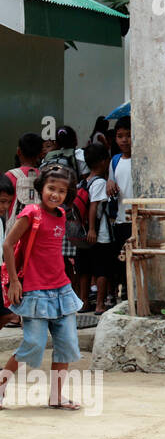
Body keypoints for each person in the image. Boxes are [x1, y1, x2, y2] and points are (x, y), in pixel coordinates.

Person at [0, 162, 85, 410]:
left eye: (61, 191)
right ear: (41, 187)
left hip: (61, 290)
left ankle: (57, 397)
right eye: (51, 188)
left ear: (67, 195)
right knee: (33, 344)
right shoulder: (31, 213)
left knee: (67, 344)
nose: (55, 194)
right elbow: (7, 244)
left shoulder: (61, 215)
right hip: (35, 291)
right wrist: (15, 281)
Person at [79, 143, 113, 314]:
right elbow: (94, 206)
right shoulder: (99, 182)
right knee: (101, 269)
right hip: (99, 234)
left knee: (84, 269)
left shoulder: (83, 182)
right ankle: (99, 304)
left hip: (83, 234)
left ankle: (84, 302)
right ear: (102, 162)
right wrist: (93, 229)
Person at [106, 118, 132, 307]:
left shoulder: (142, 159)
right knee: (123, 259)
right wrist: (110, 184)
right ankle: (125, 297)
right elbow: (111, 183)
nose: (124, 140)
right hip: (121, 219)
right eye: (120, 136)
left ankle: (136, 293)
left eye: (129, 136)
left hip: (139, 218)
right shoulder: (114, 161)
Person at [4, 132, 42, 221]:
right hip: (37, 229)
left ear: (18, 151)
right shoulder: (45, 178)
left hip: (14, 229)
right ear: (40, 154)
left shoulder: (9, 176)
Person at [0, 180, 17, 328]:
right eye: (2, 201)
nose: (5, 207)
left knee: (6, 314)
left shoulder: (1, 219)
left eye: (8, 202)